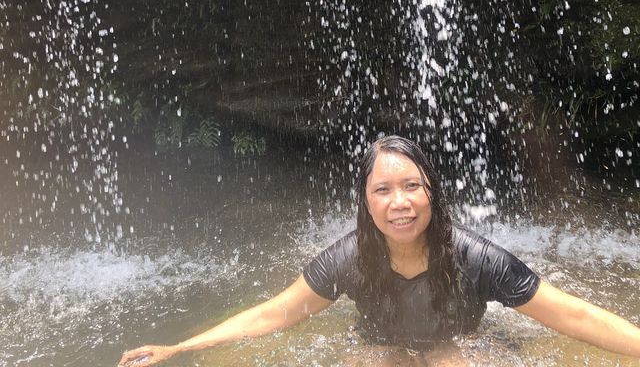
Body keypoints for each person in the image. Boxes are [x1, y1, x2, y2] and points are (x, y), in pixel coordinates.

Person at [118, 135, 640, 366]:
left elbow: (571, 314)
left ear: (432, 192)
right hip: (380, 351)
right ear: (366, 204)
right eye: (383, 191)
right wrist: (179, 348)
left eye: (412, 186)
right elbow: (272, 315)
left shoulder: (477, 258)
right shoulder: (347, 259)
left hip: (455, 347)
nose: (401, 203)